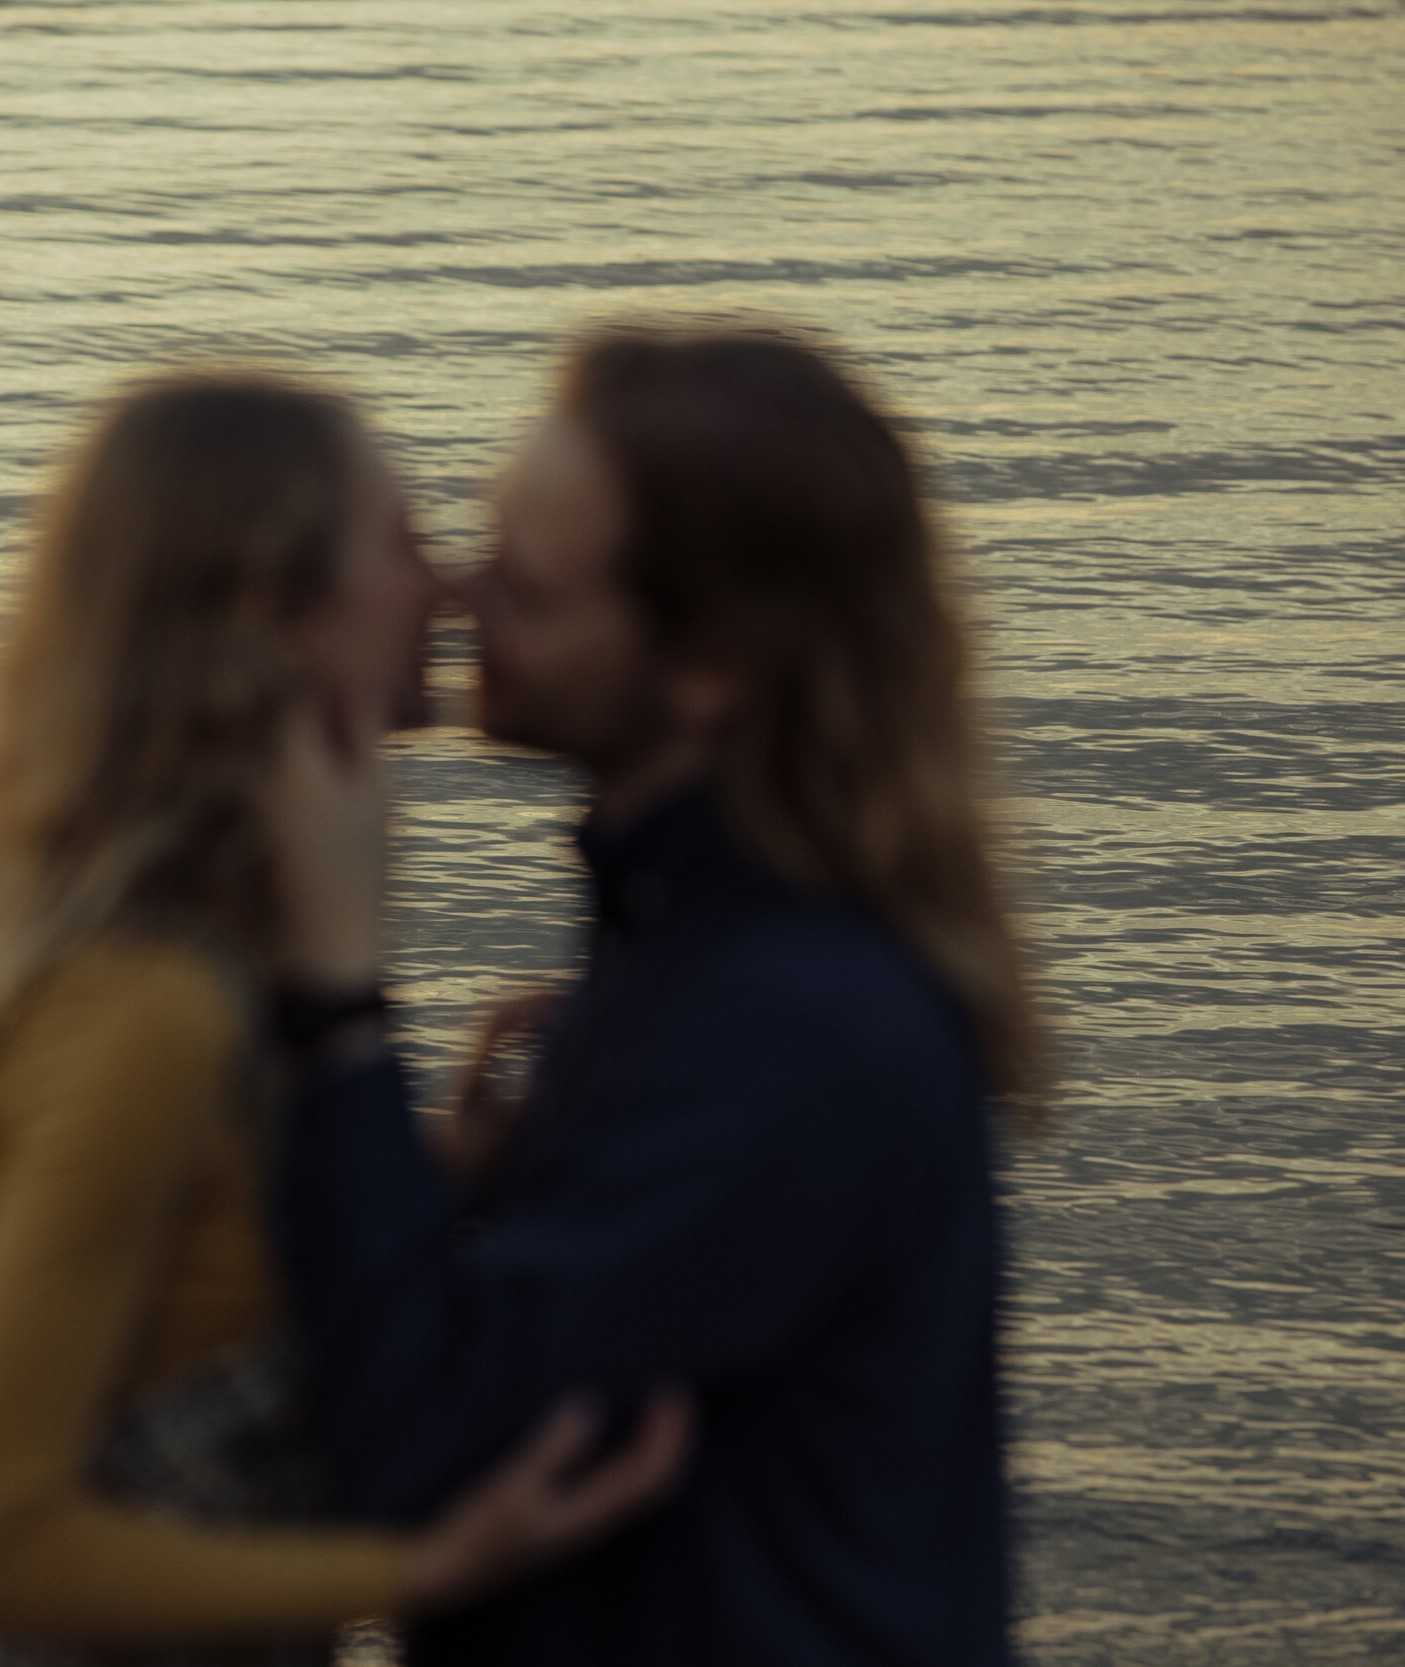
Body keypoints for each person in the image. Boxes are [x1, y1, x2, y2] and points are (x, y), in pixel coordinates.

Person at [0, 372, 692, 1667]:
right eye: (406, 545)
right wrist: (429, 1565)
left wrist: (432, 1185)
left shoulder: (217, 957)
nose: (454, 588)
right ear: (274, 615)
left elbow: (187, 1320)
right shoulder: (152, 1010)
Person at [269, 325, 1043, 1665]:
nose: (456, 595)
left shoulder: (790, 1032)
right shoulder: (701, 961)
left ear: (714, 668)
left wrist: (337, 997)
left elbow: (419, 1443)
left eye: (526, 582)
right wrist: (476, 1194)